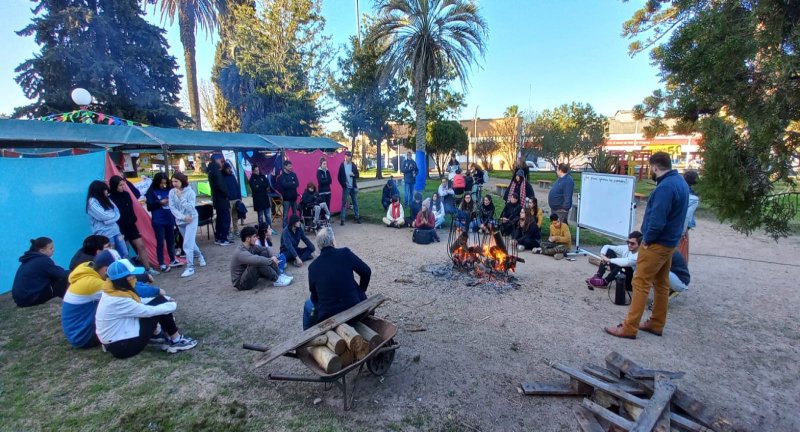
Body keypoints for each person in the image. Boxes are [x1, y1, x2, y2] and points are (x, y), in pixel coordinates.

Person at [605, 152, 689, 339]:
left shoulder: (665, 188)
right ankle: (656, 323)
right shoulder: (680, 182)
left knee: (640, 282)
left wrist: (647, 241)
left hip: (657, 243)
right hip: (669, 243)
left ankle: (629, 327)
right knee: (661, 283)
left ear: (654, 167)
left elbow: (657, 221)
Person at [95, 259, 197, 358]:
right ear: (126, 279)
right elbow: (146, 311)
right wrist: (171, 306)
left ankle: (169, 337)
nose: (135, 278)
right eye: (133, 275)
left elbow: (137, 303)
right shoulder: (118, 299)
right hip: (123, 347)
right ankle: (176, 340)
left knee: (159, 302)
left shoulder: (112, 291)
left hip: (114, 342)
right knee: (159, 305)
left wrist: (165, 300)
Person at [62, 250, 165, 349]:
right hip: (82, 336)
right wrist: (157, 291)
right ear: (107, 270)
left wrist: (143, 279)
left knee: (124, 304)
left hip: (79, 330)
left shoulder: (90, 269)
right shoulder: (92, 283)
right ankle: (154, 333)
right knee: (126, 305)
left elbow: (127, 284)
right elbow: (127, 289)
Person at [304, 227, 371, 328]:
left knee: (308, 305)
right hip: (355, 311)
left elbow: (314, 295)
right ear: (333, 241)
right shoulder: (345, 253)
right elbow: (366, 271)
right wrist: (361, 291)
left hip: (329, 319)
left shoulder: (312, 267)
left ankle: (309, 339)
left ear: (319, 246)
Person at [108, 175, 156, 275]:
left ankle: (148, 269)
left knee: (141, 246)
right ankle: (129, 272)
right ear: (114, 186)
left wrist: (127, 181)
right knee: (124, 251)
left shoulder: (126, 194)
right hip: (120, 228)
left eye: (123, 184)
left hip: (131, 225)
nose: (123, 187)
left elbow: (136, 194)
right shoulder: (110, 198)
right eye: (120, 185)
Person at [12, 237, 69, 307]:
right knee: (64, 281)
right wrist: (77, 271)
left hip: (21, 299)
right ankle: (70, 303)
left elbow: (54, 272)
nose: (53, 250)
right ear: (42, 251)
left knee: (56, 278)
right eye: (51, 248)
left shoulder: (29, 259)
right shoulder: (43, 260)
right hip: (29, 300)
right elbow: (61, 274)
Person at [231, 226, 293, 290]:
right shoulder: (241, 252)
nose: (256, 238)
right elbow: (257, 260)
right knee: (258, 262)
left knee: (264, 253)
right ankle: (277, 279)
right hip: (242, 284)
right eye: (254, 236)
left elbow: (266, 249)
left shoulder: (251, 246)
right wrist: (271, 260)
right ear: (248, 239)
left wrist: (273, 256)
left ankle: (279, 275)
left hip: (249, 275)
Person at [169, 172, 206, 277]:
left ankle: (190, 267)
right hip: (181, 221)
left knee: (187, 244)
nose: (174, 184)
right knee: (190, 242)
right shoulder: (171, 192)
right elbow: (172, 208)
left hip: (192, 219)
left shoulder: (190, 192)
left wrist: (181, 198)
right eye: (173, 182)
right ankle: (200, 256)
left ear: (182, 181)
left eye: (176, 181)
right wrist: (182, 217)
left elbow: (191, 207)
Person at [145, 172, 182, 273]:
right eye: (161, 183)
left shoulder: (169, 190)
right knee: (160, 242)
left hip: (169, 218)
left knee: (171, 240)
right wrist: (159, 202)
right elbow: (149, 206)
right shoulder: (151, 191)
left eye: (164, 183)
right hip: (158, 220)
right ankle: (161, 263)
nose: (163, 185)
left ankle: (173, 259)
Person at [86, 180, 126, 258]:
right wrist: (112, 217)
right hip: (105, 234)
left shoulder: (107, 199)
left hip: (116, 231)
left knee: (124, 252)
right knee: (112, 256)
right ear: (99, 191)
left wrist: (109, 219)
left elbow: (117, 212)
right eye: (105, 189)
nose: (107, 191)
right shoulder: (92, 202)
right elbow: (103, 216)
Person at [207, 154, 231, 246]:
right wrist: (226, 193)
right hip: (221, 199)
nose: (222, 163)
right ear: (216, 160)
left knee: (220, 218)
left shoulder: (211, 170)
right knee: (225, 218)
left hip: (217, 198)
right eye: (221, 161)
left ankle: (218, 237)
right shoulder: (216, 171)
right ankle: (223, 238)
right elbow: (220, 185)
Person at [678, 170, 700, 263]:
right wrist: (683, 231)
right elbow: (686, 216)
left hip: (671, 223)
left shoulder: (678, 190)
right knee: (681, 252)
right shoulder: (693, 198)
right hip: (681, 226)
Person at [338, 151, 361, 225]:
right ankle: (342, 219)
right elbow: (339, 177)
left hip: (353, 187)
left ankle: (357, 218)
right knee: (344, 203)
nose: (349, 157)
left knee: (355, 203)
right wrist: (343, 185)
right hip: (346, 187)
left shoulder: (353, 165)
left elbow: (358, 175)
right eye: (348, 156)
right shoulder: (342, 166)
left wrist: (353, 174)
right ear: (345, 156)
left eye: (350, 156)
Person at [248, 165, 273, 231]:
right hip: (258, 201)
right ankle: (261, 230)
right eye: (256, 171)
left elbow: (267, 184)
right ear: (253, 171)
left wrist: (259, 185)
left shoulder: (262, 176)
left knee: (267, 215)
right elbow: (255, 189)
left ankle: (269, 228)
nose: (257, 172)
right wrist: (262, 186)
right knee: (260, 217)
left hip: (265, 199)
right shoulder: (251, 179)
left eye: (258, 170)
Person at [278, 160, 300, 228]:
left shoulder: (294, 174)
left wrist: (289, 184)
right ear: (285, 166)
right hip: (286, 199)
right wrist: (292, 183)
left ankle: (295, 226)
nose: (291, 167)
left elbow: (297, 184)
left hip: (294, 198)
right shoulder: (282, 176)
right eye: (289, 166)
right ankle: (285, 228)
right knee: (285, 215)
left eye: (291, 166)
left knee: (295, 214)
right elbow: (284, 185)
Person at [222, 162, 243, 236]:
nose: (229, 169)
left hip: (236, 199)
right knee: (228, 217)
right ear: (225, 169)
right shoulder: (222, 177)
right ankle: (229, 231)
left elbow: (237, 187)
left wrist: (239, 198)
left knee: (235, 216)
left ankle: (236, 230)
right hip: (228, 200)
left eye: (229, 168)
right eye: (228, 168)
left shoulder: (232, 176)